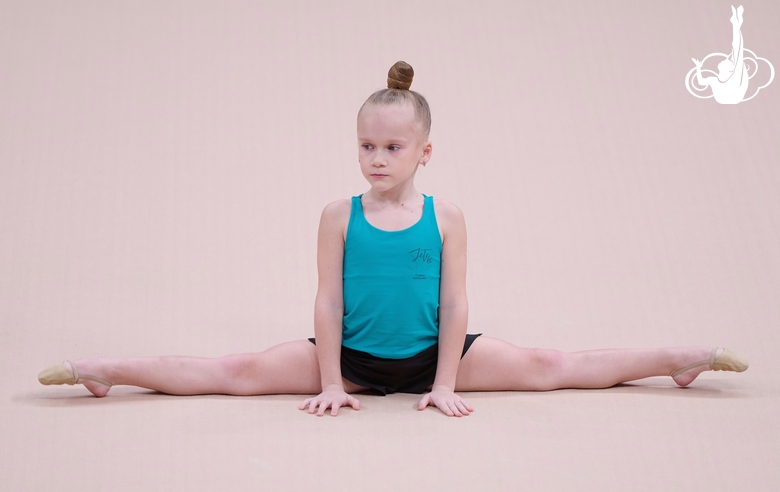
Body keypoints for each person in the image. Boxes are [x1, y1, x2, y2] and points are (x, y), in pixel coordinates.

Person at [38, 61, 749, 417]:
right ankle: (108, 368)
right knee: (232, 373)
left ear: (423, 153)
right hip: (349, 360)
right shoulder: (336, 214)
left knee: (552, 364)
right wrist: (328, 383)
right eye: (366, 146)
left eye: (391, 148)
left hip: (432, 358)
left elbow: (457, 302)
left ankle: (676, 358)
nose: (376, 159)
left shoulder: (448, 216)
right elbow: (324, 302)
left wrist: (442, 383)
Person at [692, 5, 749, 104]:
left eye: (726, 62)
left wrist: (698, 67)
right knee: (737, 52)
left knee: (737, 51)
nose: (725, 60)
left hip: (732, 96)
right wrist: (698, 67)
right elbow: (701, 82)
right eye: (728, 61)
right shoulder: (717, 80)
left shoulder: (721, 79)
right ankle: (736, 23)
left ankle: (736, 23)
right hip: (730, 96)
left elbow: (701, 81)